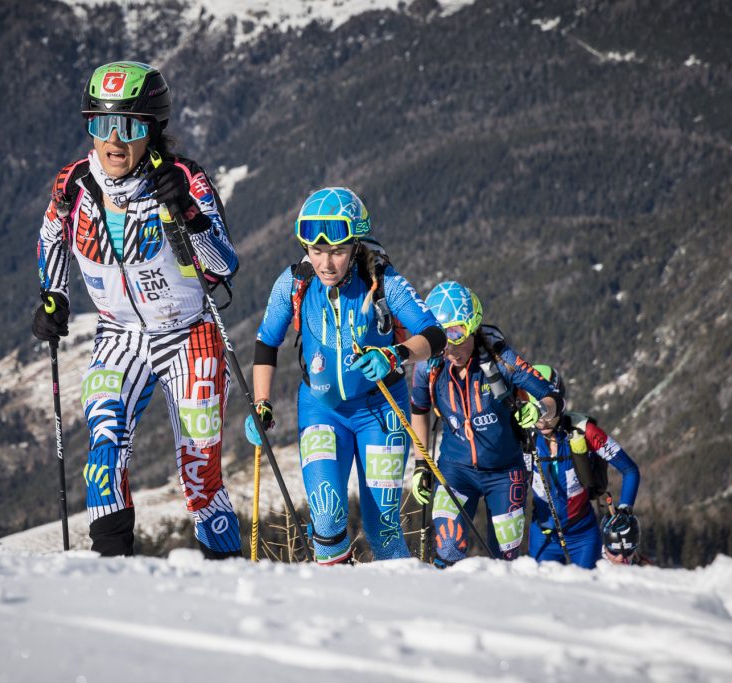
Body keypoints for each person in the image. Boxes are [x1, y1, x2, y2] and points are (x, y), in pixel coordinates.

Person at [32, 61, 242, 558]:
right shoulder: (73, 184)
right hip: (119, 334)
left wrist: (188, 213)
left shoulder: (184, 179)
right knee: (103, 450)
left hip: (189, 333)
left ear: (152, 129)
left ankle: (227, 575)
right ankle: (111, 573)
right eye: (101, 123)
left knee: (199, 472)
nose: (113, 140)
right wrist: (54, 296)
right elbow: (51, 237)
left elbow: (224, 264)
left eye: (128, 127)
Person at [246, 187, 446, 564]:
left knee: (383, 528)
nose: (326, 263)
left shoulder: (382, 281)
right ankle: (335, 590)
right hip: (321, 409)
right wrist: (262, 403)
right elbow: (266, 343)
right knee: (326, 516)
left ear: (355, 246)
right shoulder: (294, 283)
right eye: (316, 250)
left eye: (337, 251)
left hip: (380, 410)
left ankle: (404, 594)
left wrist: (396, 354)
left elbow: (435, 336)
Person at [409, 282, 561, 565]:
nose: (450, 348)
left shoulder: (501, 358)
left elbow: (552, 396)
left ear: (473, 328)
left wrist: (540, 409)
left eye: (458, 335)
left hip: (505, 472)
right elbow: (419, 409)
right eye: (441, 338)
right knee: (448, 549)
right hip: (455, 470)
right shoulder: (429, 366)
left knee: (503, 559)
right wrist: (421, 464)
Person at [525, 364, 640, 568]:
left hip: (583, 537)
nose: (541, 421)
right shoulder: (523, 436)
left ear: (559, 404)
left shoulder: (585, 431)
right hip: (542, 536)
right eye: (534, 412)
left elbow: (630, 470)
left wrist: (624, 509)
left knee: (585, 588)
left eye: (547, 411)